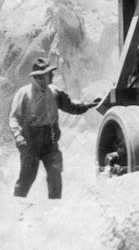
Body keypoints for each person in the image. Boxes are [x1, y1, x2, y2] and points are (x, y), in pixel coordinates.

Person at [8, 57, 99, 199]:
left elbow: (71, 106)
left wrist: (88, 104)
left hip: (50, 141)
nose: (52, 76)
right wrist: (18, 137)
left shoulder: (55, 92)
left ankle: (55, 205)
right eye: (49, 74)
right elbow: (14, 118)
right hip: (30, 143)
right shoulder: (23, 93)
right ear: (39, 77)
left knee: (55, 175)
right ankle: (17, 207)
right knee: (27, 178)